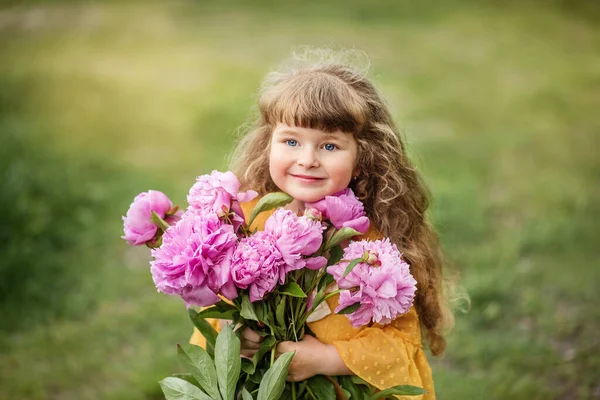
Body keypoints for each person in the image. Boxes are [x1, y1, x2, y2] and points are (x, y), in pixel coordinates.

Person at [190, 49, 457, 399]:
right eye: (290, 141)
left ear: (362, 159)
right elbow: (216, 311)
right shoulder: (246, 223)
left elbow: (399, 345)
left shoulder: (374, 252)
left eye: (330, 146)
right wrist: (236, 333)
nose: (307, 160)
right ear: (267, 144)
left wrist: (326, 359)